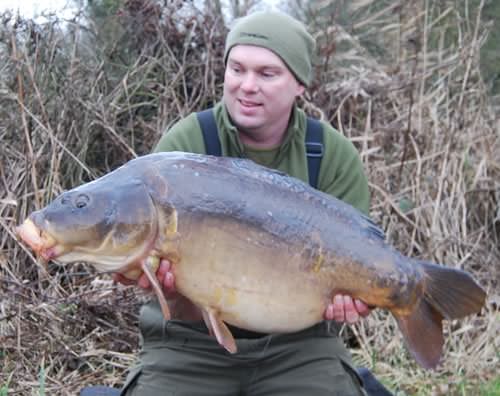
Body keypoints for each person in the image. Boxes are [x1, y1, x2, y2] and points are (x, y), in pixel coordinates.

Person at [108, 10, 392, 396]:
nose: (246, 86)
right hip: (190, 344)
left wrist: (354, 299)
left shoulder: (329, 155)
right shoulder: (187, 145)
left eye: (266, 73)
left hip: (300, 347)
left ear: (299, 85)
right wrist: (157, 281)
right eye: (237, 69)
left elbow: (361, 258)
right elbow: (151, 264)